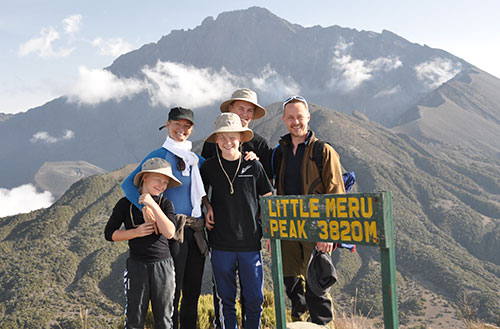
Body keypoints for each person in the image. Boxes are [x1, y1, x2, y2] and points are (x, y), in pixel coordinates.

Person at [121, 107, 207, 329]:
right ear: (167, 125)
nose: (182, 129)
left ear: (192, 129)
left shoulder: (196, 160)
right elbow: (128, 184)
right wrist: (145, 207)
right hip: (171, 231)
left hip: (196, 230)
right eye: (177, 124)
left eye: (187, 125)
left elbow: (212, 181)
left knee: (193, 290)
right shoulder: (159, 155)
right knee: (173, 293)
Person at [274, 95, 346, 326]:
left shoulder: (323, 151)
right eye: (291, 118)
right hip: (289, 229)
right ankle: (300, 322)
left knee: (317, 285)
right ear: (284, 119)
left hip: (317, 228)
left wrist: (328, 233)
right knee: (292, 283)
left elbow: (336, 193)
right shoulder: (280, 152)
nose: (296, 122)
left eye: (300, 117)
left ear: (308, 118)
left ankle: (322, 325)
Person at [201, 112, 273, 329]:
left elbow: (268, 198)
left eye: (232, 137)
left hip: (250, 243)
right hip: (220, 243)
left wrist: (269, 232)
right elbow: (199, 193)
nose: (227, 141)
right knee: (226, 300)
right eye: (222, 137)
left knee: (254, 299)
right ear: (216, 140)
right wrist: (207, 206)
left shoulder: (254, 166)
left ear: (241, 138)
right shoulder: (209, 167)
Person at [105, 157, 181, 329]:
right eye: (158, 179)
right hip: (136, 266)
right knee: (134, 317)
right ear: (145, 177)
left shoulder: (165, 204)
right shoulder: (124, 205)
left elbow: (169, 232)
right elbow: (109, 234)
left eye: (165, 182)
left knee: (164, 319)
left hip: (164, 266)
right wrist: (135, 233)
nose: (162, 185)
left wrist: (152, 205)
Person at [202, 88, 273, 178]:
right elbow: (203, 179)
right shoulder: (212, 142)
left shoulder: (260, 144)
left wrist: (256, 164)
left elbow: (268, 182)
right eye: (240, 108)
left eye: (249, 110)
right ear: (230, 108)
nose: (244, 114)